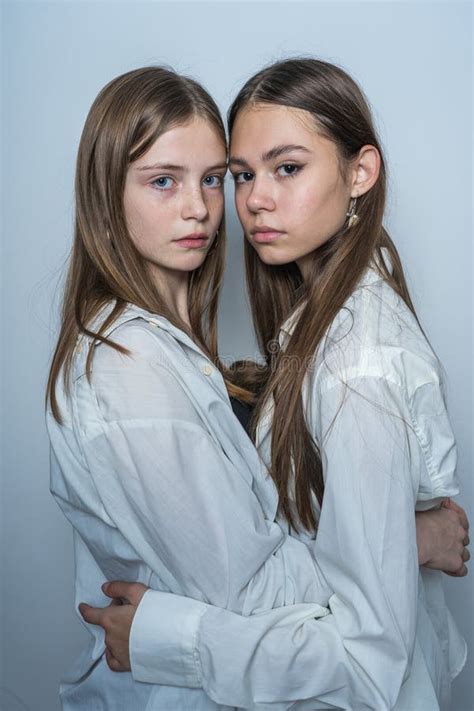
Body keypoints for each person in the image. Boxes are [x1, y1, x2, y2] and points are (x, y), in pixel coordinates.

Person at [80, 59, 469, 710]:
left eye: (287, 167)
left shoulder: (354, 369)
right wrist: (408, 539)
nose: (253, 198)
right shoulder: (325, 325)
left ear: (360, 173)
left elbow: (368, 661)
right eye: (241, 175)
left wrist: (164, 639)